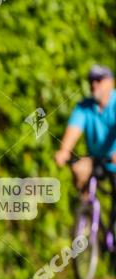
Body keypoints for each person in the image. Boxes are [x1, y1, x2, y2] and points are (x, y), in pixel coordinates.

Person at [54, 64, 116, 196]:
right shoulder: (84, 107)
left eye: (99, 80)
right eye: (91, 80)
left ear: (111, 82)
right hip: (97, 160)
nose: (94, 84)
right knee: (79, 168)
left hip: (114, 160)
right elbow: (74, 129)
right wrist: (64, 151)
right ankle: (86, 209)